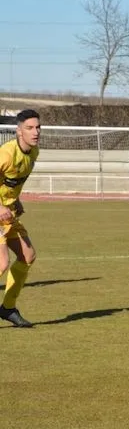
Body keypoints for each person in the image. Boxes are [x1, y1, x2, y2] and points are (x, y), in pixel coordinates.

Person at [0, 109, 40, 328]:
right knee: (1, 263)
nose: (35, 132)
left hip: (8, 213)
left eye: (38, 127)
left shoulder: (34, 153)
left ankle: (7, 308)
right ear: (18, 131)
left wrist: (14, 200)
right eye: (29, 128)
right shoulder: (6, 153)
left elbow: (11, 183)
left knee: (27, 256)